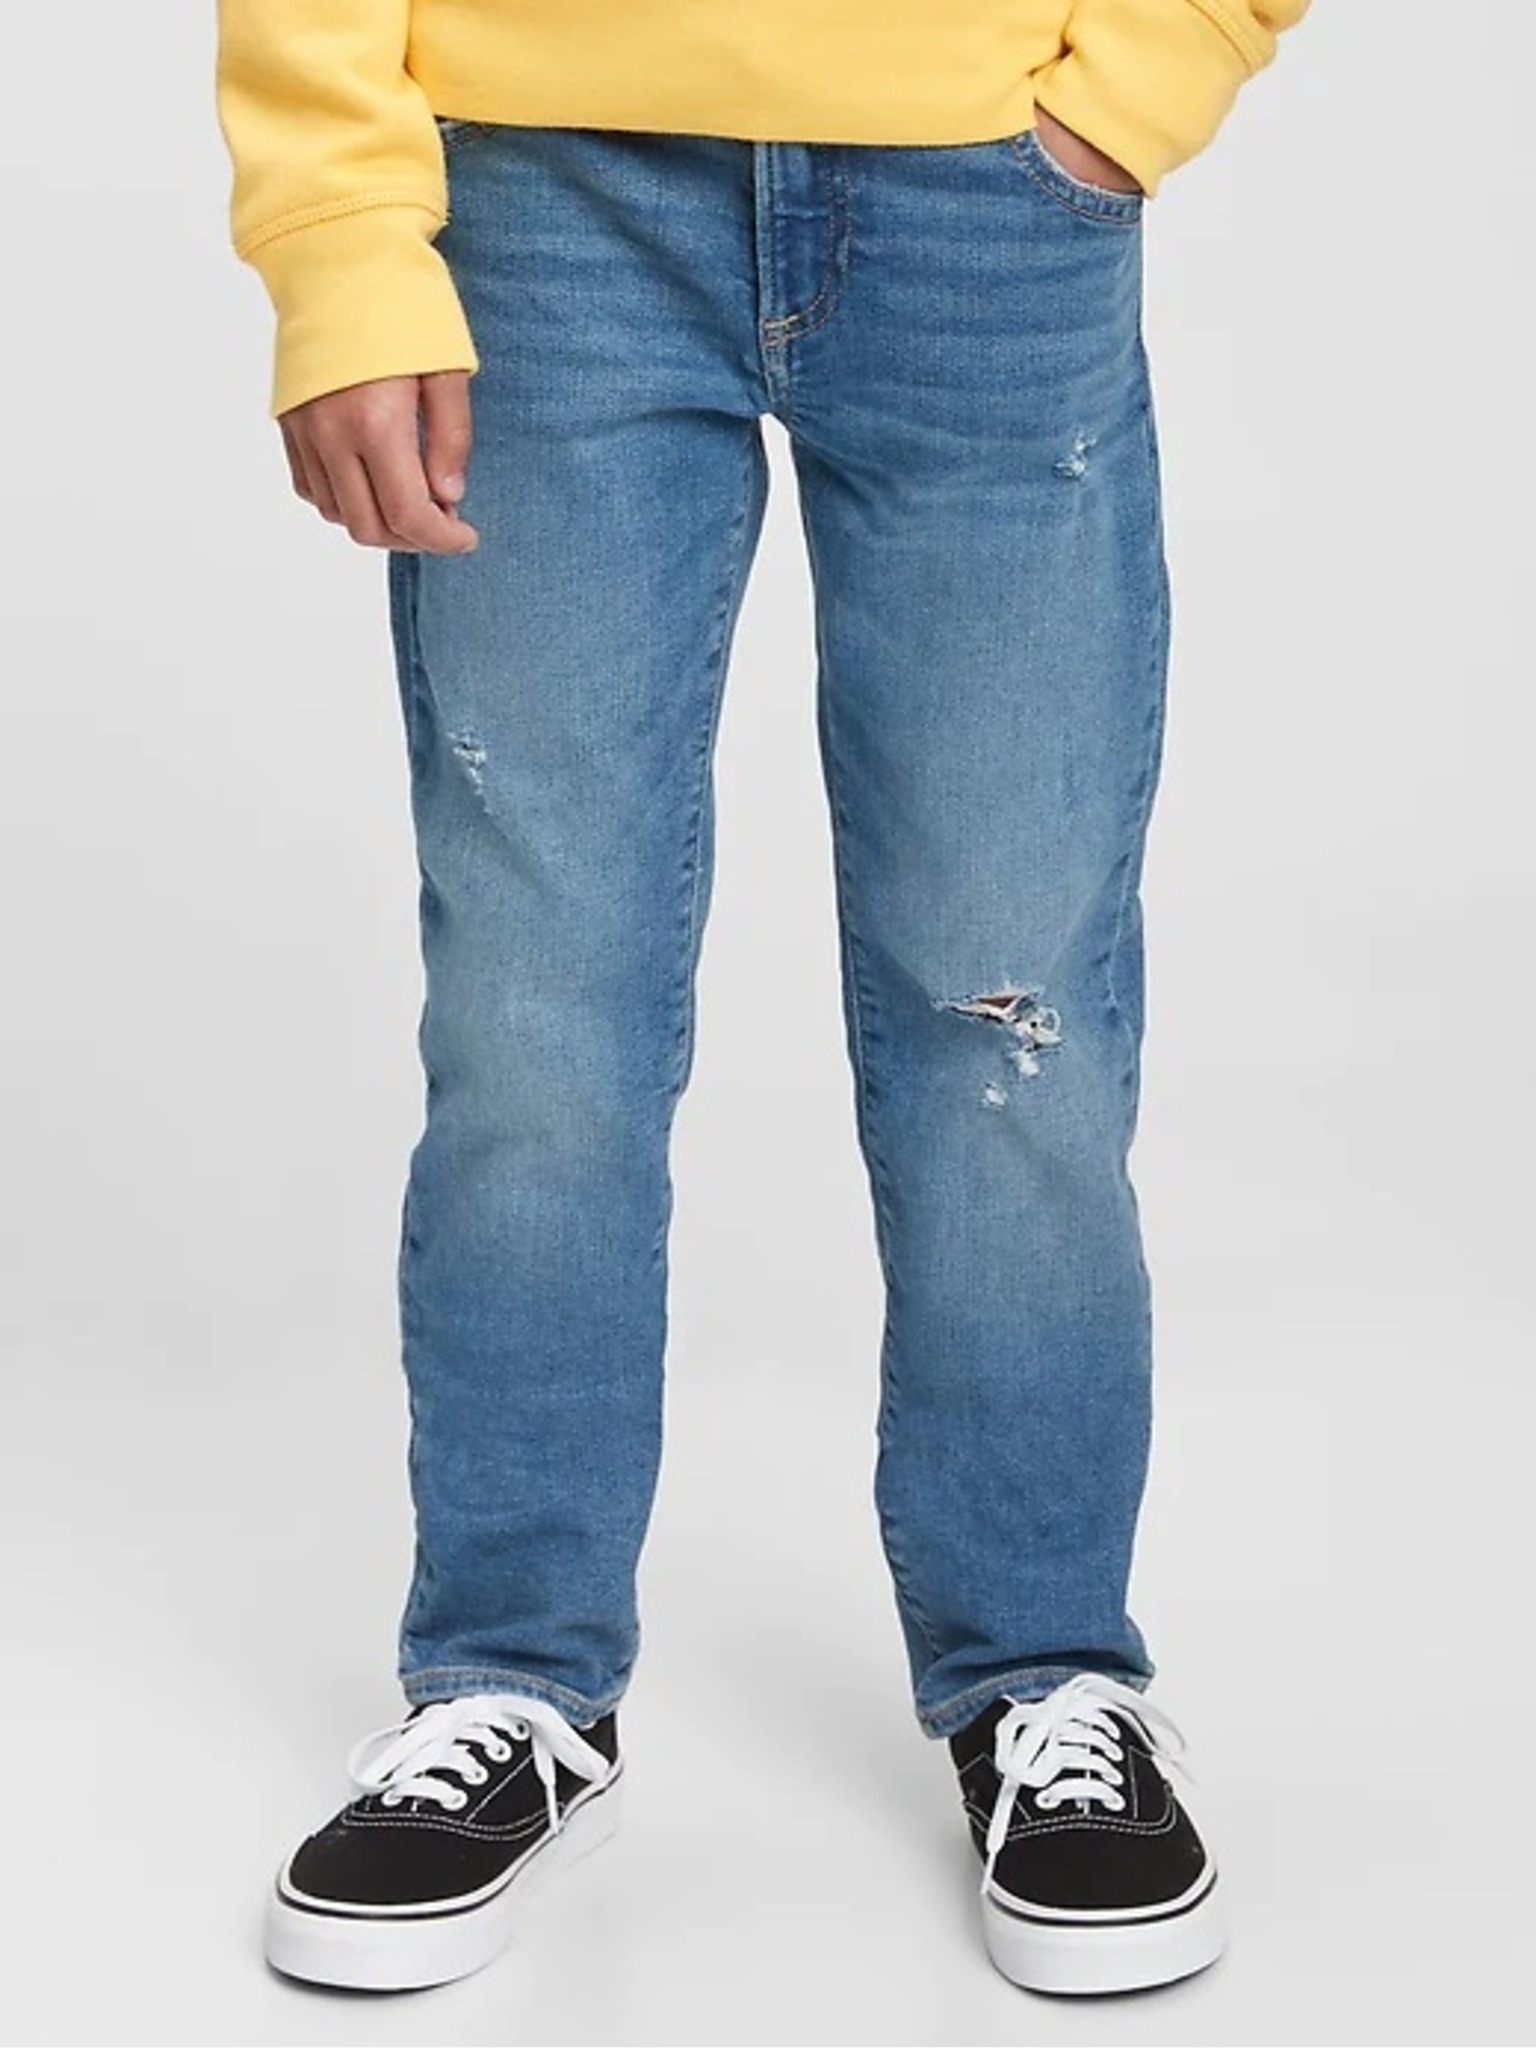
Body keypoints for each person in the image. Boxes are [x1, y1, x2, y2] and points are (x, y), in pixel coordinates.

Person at [214, 0, 1308, 2001]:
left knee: (1007, 1001)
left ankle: (1045, 1668)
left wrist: (1139, 81)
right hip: (534, 188)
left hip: (990, 195)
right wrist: (340, 236)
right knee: (540, 1008)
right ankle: (511, 1678)